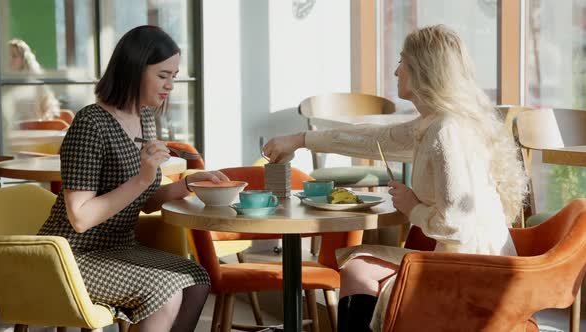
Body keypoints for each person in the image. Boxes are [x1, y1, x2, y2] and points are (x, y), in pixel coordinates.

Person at [263, 25, 528, 332]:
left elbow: (458, 224)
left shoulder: (446, 131)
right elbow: (372, 138)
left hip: (476, 269)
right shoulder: (435, 123)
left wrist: (413, 206)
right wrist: (300, 139)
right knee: (358, 264)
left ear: (422, 70)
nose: (395, 71)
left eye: (402, 62)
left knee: (359, 267)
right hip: (464, 259)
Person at [38, 25, 225, 332]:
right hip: (72, 254)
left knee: (196, 279)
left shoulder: (146, 118)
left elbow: (145, 201)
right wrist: (142, 177)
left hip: (119, 247)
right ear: (135, 69)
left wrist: (190, 183)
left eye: (174, 76)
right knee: (164, 291)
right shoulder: (91, 123)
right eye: (163, 75)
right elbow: (80, 218)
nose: (170, 86)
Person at [8, 38, 61, 121]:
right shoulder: (2, 83)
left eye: (14, 56)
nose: (9, 59)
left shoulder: (37, 83)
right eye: (6, 56)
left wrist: (46, 117)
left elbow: (51, 107)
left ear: (24, 59)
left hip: (33, 129)